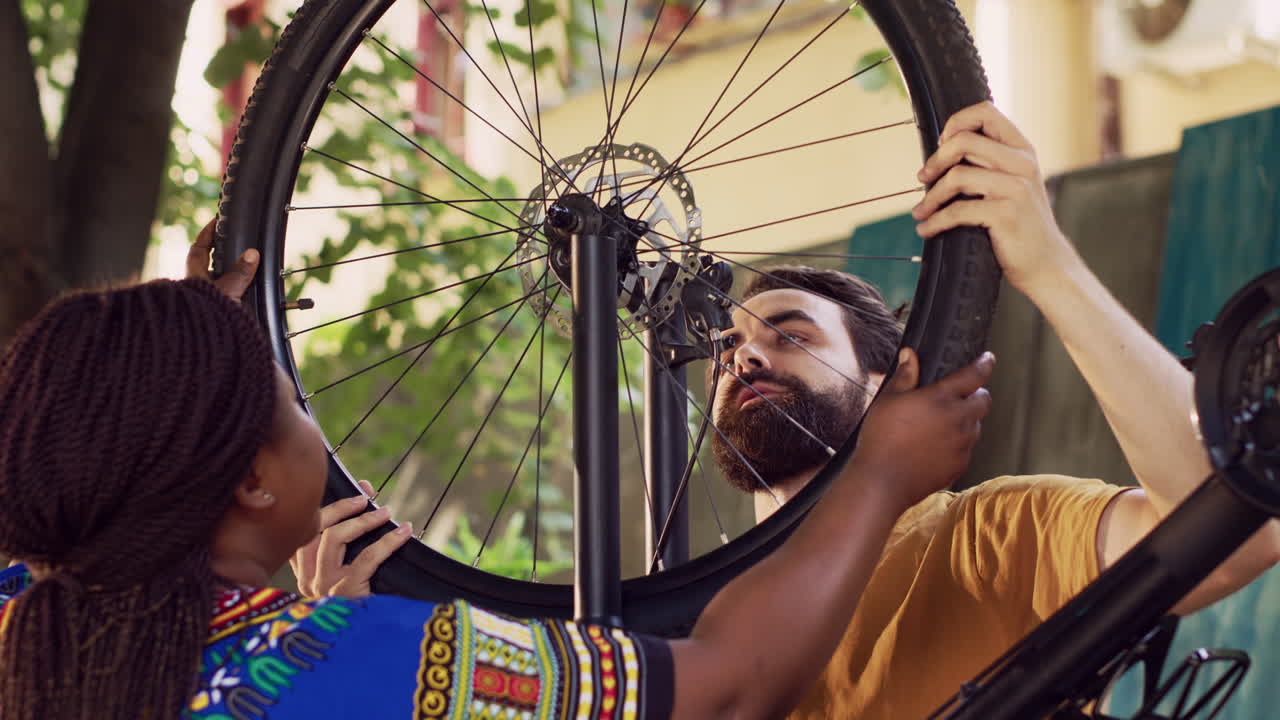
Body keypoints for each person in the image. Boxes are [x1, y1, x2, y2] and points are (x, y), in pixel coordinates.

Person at [0, 253, 993, 717]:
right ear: (254, 481)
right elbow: (732, 688)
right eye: (289, 398)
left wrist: (173, 364)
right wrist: (877, 475)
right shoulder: (384, 663)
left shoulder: (20, 623)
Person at [704, 101, 1280, 720]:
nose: (745, 358)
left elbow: (1231, 532)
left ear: (887, 382)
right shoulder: (700, 619)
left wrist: (1047, 264)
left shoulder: (986, 535)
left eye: (791, 336)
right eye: (726, 348)